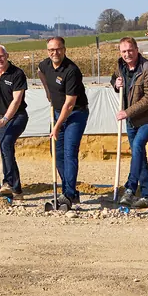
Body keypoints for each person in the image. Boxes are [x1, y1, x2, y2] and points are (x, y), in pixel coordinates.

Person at [110, 37, 148, 209]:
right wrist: (115, 83)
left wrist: (127, 112)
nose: (127, 54)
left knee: (138, 146)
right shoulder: (121, 66)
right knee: (138, 155)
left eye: (130, 50)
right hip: (132, 120)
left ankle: (130, 188)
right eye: (124, 51)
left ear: (136, 49)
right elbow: (115, 79)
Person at [38, 36, 89, 210]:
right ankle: (71, 192)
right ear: (48, 51)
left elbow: (70, 103)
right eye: (51, 50)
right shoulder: (45, 65)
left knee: (69, 152)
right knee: (56, 153)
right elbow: (39, 71)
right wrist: (48, 91)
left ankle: (67, 194)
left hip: (75, 113)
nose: (55, 53)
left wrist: (57, 126)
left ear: (64, 50)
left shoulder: (71, 70)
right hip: (58, 112)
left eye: (58, 49)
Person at [0, 45, 29, 199]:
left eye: (1, 56)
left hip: (17, 116)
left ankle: (8, 182)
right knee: (4, 150)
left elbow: (17, 101)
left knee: (6, 144)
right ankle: (16, 190)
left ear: (7, 55)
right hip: (0, 116)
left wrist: (5, 120)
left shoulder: (17, 74)